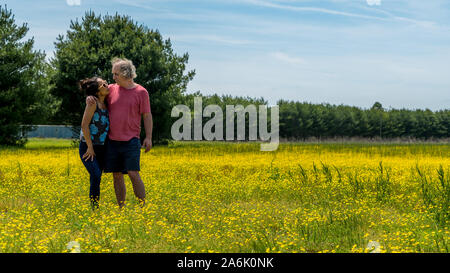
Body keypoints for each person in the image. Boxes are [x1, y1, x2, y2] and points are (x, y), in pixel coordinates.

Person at [87, 57, 153, 208]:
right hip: (112, 141)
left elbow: (147, 115)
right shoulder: (111, 89)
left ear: (126, 73)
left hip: (131, 140)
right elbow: (96, 95)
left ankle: (143, 207)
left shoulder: (141, 92)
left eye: (116, 74)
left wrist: (148, 137)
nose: (113, 77)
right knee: (116, 175)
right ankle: (121, 209)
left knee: (133, 173)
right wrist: (90, 97)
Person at [79, 77, 110, 209]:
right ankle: (94, 208)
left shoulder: (108, 103)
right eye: (103, 84)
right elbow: (84, 125)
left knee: (97, 177)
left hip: (102, 148)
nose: (106, 85)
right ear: (97, 91)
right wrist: (90, 147)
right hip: (87, 147)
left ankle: (94, 207)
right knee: (96, 174)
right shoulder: (93, 103)